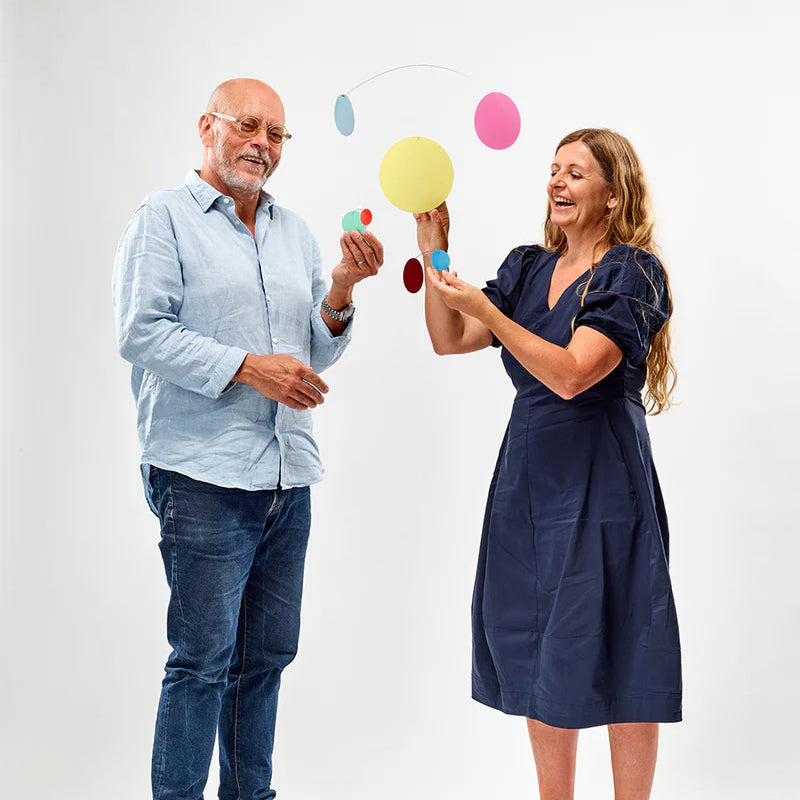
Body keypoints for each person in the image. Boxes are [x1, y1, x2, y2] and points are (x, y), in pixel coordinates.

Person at [112, 78, 384, 800]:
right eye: (249, 127)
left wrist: (342, 291)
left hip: (287, 479)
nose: (263, 144)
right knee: (202, 661)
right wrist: (245, 368)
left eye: (277, 135)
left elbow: (310, 356)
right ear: (208, 126)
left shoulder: (293, 232)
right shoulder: (162, 219)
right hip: (202, 477)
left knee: (264, 659)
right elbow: (140, 332)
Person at [414, 128, 681, 800]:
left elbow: (572, 375)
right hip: (530, 480)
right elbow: (450, 339)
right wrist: (434, 253)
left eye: (576, 173)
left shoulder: (632, 271)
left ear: (612, 194)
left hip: (604, 481)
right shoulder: (528, 268)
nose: (556, 183)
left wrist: (488, 312)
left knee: (624, 646)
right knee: (538, 643)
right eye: (553, 171)